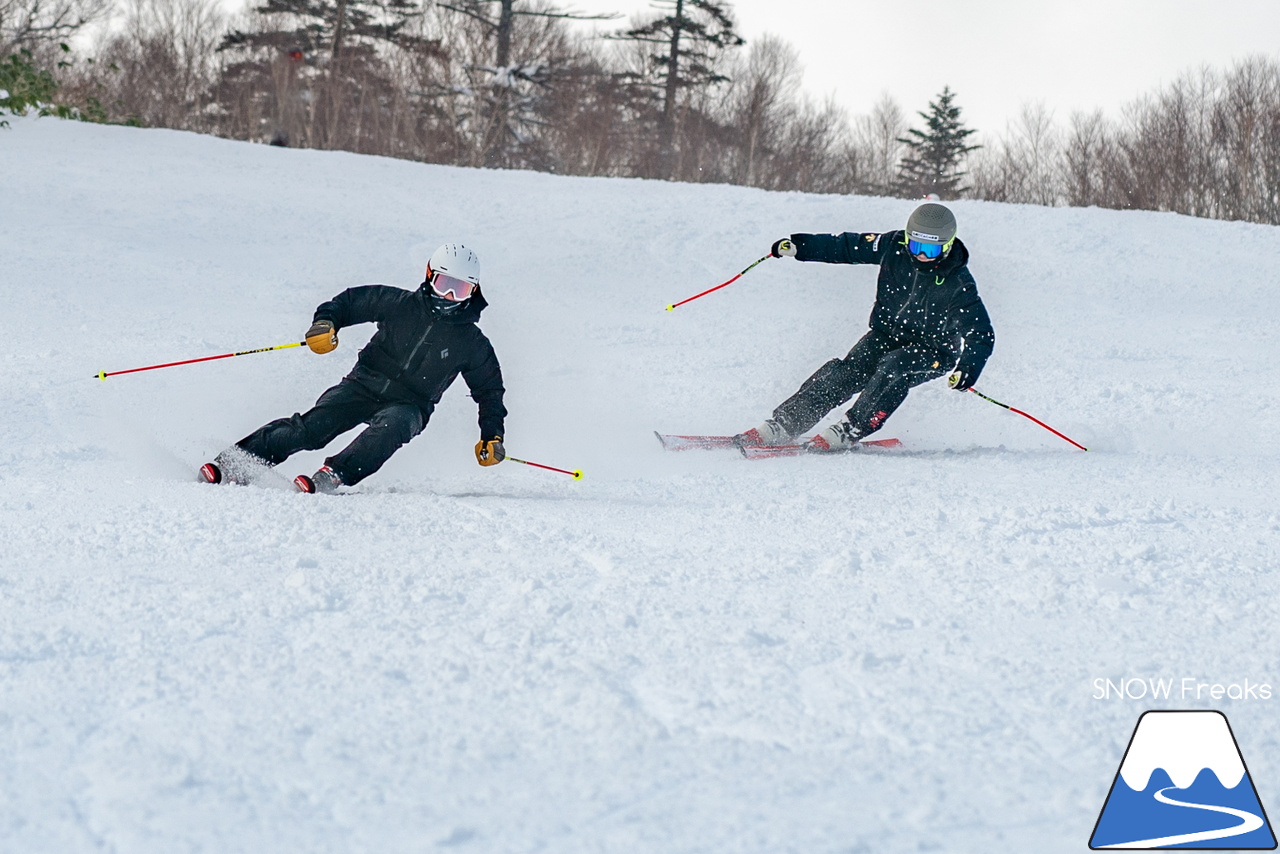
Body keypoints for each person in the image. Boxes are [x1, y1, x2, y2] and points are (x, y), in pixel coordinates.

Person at [201, 243, 507, 492]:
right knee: (311, 430)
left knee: (393, 427)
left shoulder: (471, 342)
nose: (450, 297)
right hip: (362, 385)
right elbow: (348, 303)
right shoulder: (398, 303)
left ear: (473, 292)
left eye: (461, 290)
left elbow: (490, 391)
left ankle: (333, 475)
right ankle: (234, 463)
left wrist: (492, 436)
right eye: (444, 285)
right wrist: (325, 324)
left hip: (411, 404)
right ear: (429, 276)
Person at [737, 203, 994, 452]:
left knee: (895, 367)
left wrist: (967, 369)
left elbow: (981, 333)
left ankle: (852, 428)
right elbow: (848, 246)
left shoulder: (958, 283)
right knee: (848, 371)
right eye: (916, 246)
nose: (921, 256)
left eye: (931, 250)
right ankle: (786, 423)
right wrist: (802, 247)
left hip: (934, 351)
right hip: (887, 335)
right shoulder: (893, 246)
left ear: (947, 247)